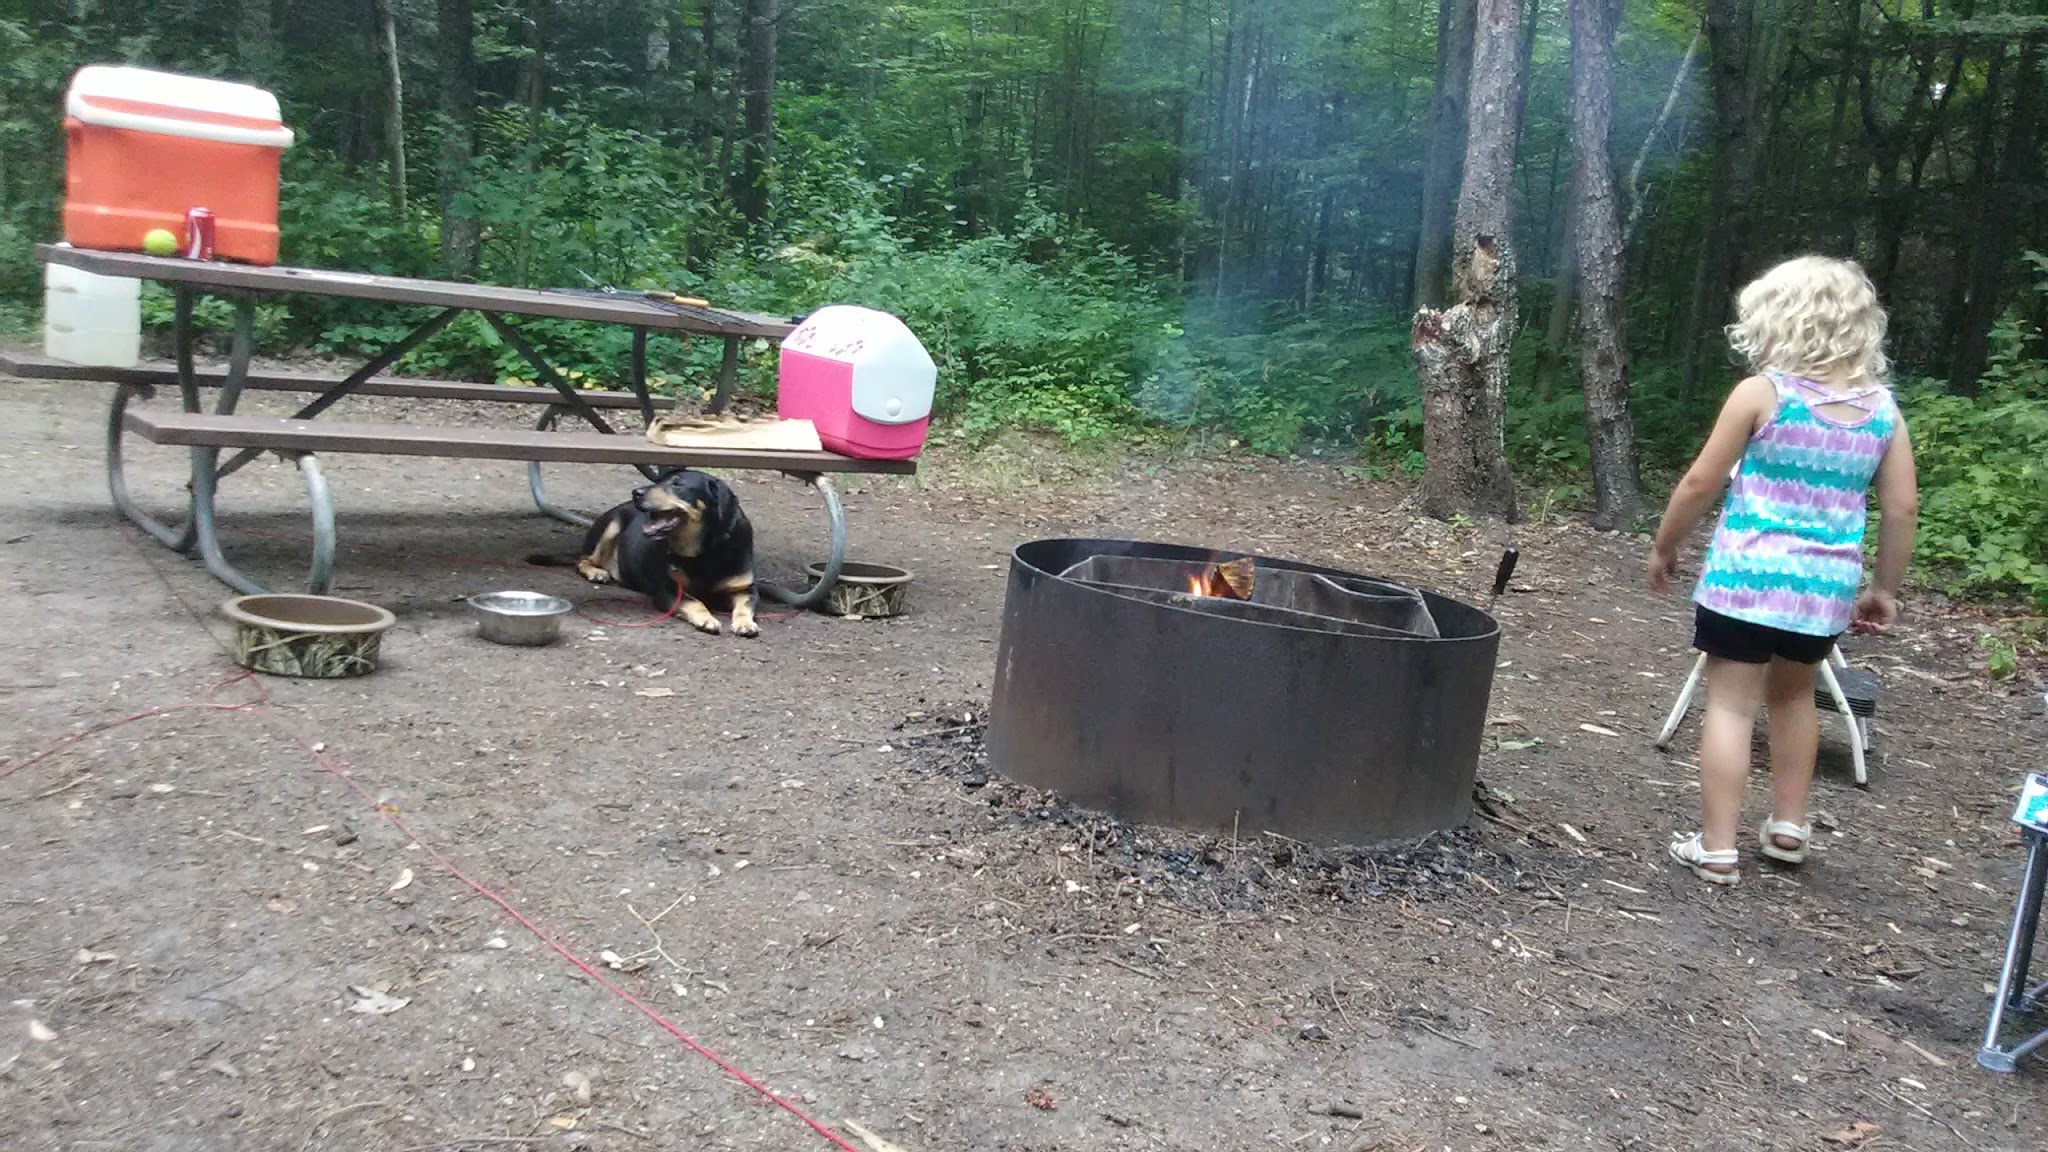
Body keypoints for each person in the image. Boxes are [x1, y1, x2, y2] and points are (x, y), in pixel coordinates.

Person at [1648, 255, 1919, 885]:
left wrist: (1665, 546)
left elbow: (1699, 482)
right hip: (1821, 594)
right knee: (1796, 697)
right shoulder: (1883, 412)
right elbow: (1902, 506)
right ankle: (1789, 827)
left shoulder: (1762, 394)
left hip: (1744, 583)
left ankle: (1717, 848)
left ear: (1777, 321)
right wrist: (1883, 588)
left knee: (1733, 707)